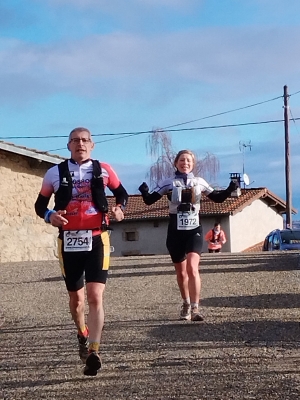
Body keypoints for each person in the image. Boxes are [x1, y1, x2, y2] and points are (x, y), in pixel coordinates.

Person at [34, 127, 128, 376]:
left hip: (98, 238)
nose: (80, 144)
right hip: (69, 241)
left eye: (85, 140)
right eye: (75, 141)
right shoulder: (55, 172)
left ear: (92, 145)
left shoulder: (104, 169)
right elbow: (40, 205)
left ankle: (94, 351)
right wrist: (50, 215)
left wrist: (119, 208)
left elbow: (122, 194)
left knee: (96, 296)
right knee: (77, 301)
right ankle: (82, 332)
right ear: (68, 146)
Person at [138, 150, 237, 322]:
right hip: (175, 230)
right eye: (182, 160)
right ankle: (185, 303)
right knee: (181, 272)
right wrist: (144, 191)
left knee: (192, 267)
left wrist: (229, 189)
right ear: (176, 163)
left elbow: (217, 198)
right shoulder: (168, 183)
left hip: (194, 229)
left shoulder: (199, 182)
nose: (185, 163)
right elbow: (149, 201)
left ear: (193, 164)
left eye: (189, 161)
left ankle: (195, 307)